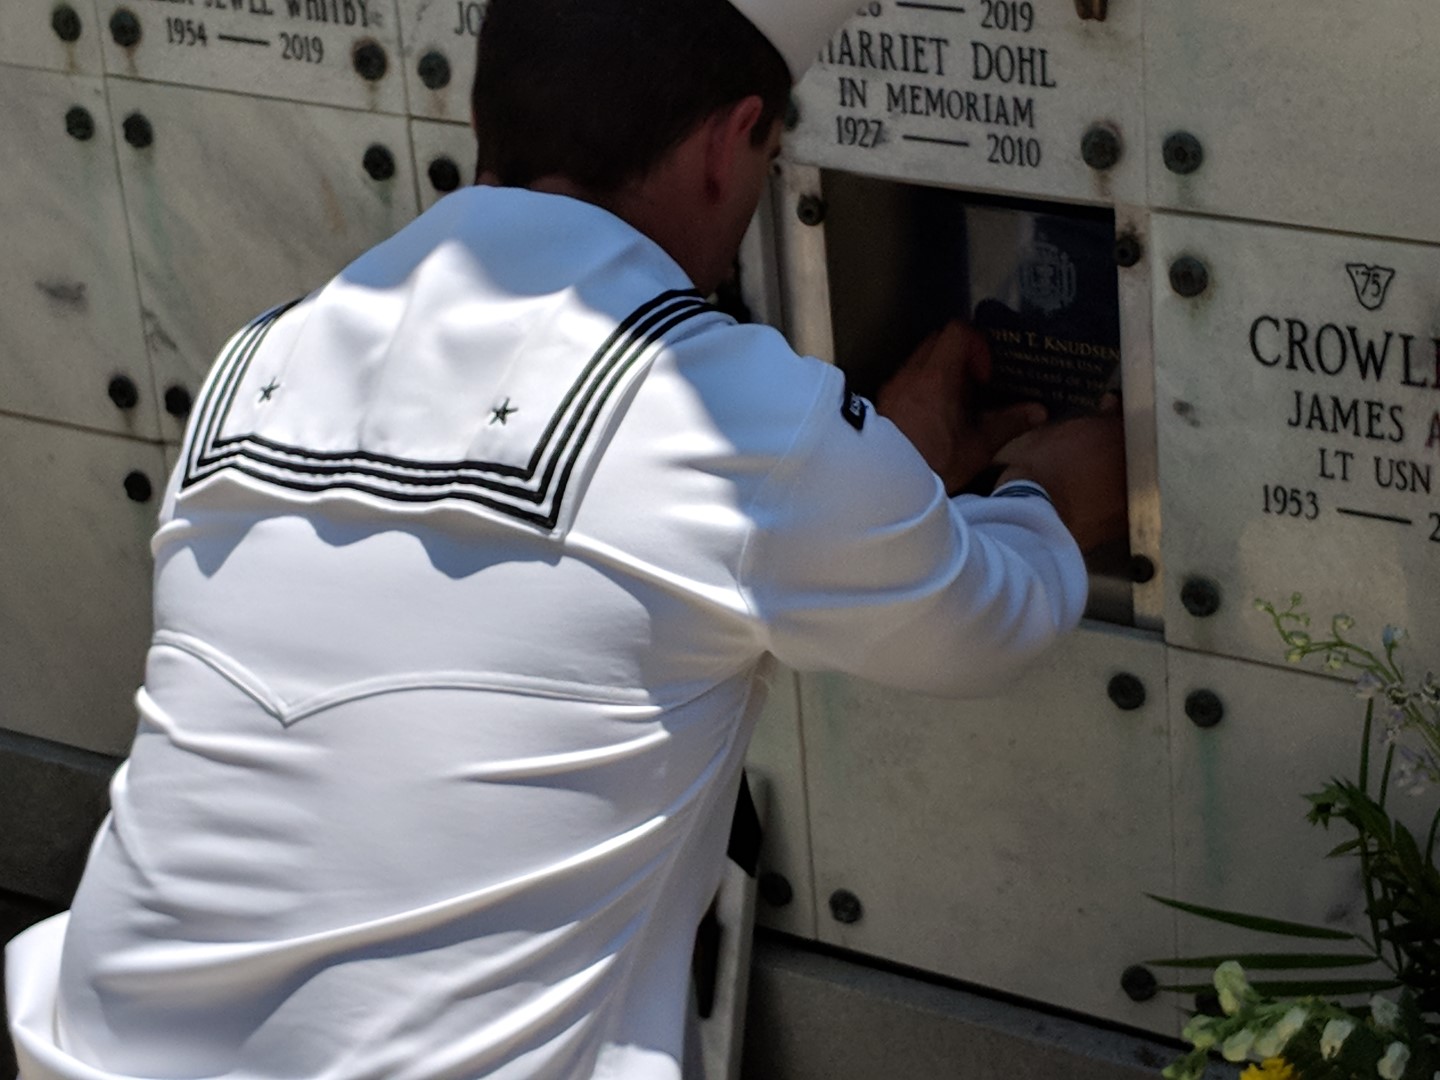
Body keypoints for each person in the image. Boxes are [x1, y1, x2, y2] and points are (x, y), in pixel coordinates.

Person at [5, 0, 1126, 1076]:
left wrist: (877, 469)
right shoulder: (731, 409)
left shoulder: (258, 359)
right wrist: (1057, 490)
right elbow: (982, 620)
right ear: (732, 142)